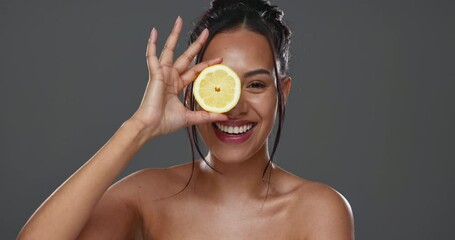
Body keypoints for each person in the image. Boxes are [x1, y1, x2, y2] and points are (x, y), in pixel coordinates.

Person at [18, 0, 354, 239]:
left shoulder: (318, 209)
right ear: (192, 89)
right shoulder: (145, 196)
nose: (234, 106)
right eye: (219, 83)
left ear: (283, 92)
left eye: (255, 84)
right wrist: (139, 127)